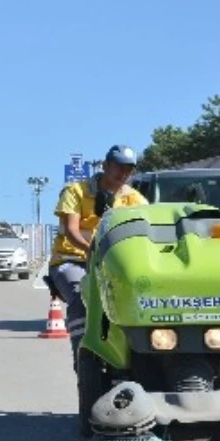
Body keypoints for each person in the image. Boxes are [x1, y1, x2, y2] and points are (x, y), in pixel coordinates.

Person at [48, 144, 148, 363]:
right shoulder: (76, 191)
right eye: (119, 167)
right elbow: (71, 231)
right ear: (105, 166)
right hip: (72, 260)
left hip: (111, 264)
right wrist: (93, 251)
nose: (124, 173)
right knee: (81, 296)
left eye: (129, 169)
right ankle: (82, 354)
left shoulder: (135, 200)